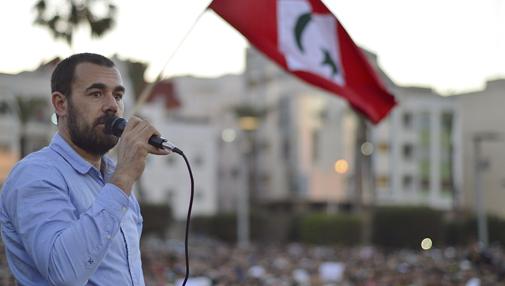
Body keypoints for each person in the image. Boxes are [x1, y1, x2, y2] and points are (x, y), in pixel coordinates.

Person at [0, 53, 170, 285]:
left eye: (118, 95)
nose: (112, 106)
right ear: (61, 104)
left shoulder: (112, 178)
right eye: (96, 93)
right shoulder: (35, 174)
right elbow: (64, 272)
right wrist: (124, 176)